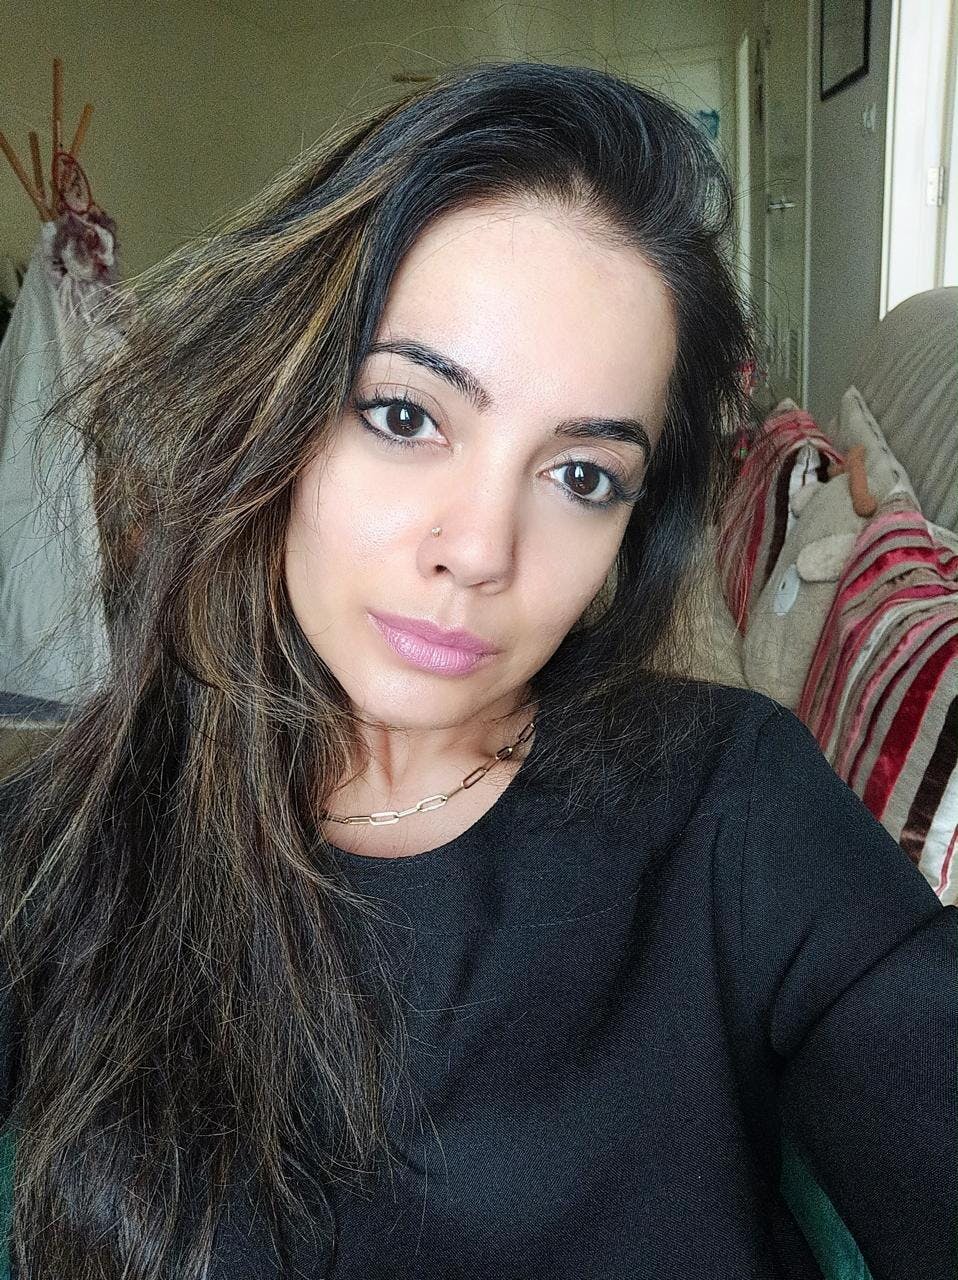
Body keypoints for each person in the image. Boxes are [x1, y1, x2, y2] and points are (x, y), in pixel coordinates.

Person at [0, 60, 954, 1280]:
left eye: (580, 475)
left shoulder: (731, 805)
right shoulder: (68, 848)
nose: (480, 550)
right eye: (406, 415)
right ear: (276, 405)